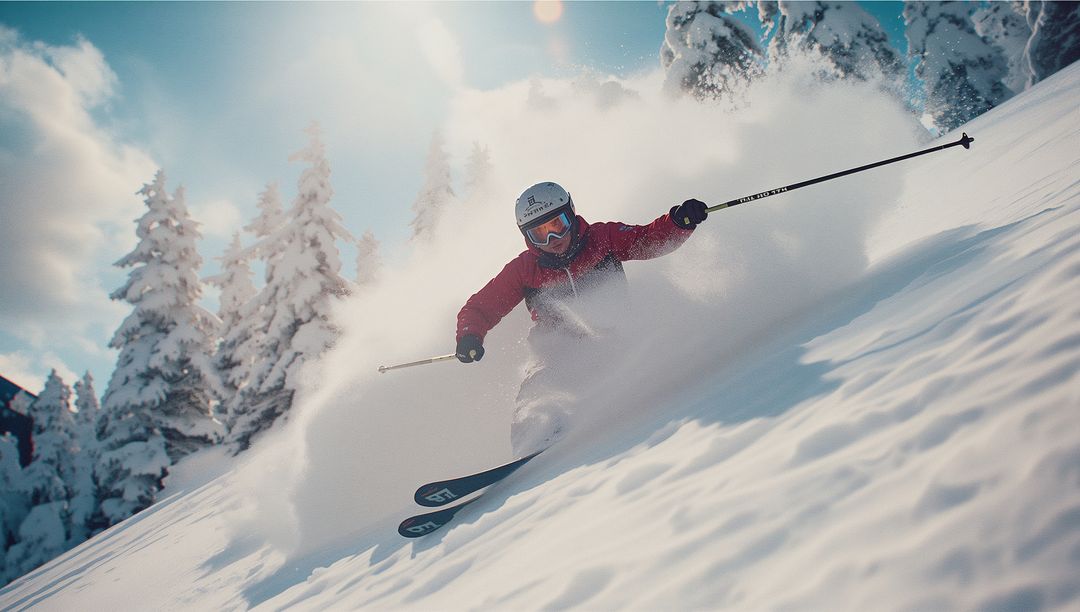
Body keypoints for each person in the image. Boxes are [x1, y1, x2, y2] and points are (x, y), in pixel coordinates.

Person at [454, 181, 709, 454]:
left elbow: (646, 240)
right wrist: (470, 334)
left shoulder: (602, 238)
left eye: (558, 225)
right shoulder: (524, 270)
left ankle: (630, 400)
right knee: (536, 387)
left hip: (613, 337)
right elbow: (481, 306)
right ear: (528, 237)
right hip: (556, 348)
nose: (553, 239)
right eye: (540, 233)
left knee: (642, 350)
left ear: (571, 214)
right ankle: (535, 443)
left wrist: (678, 223)